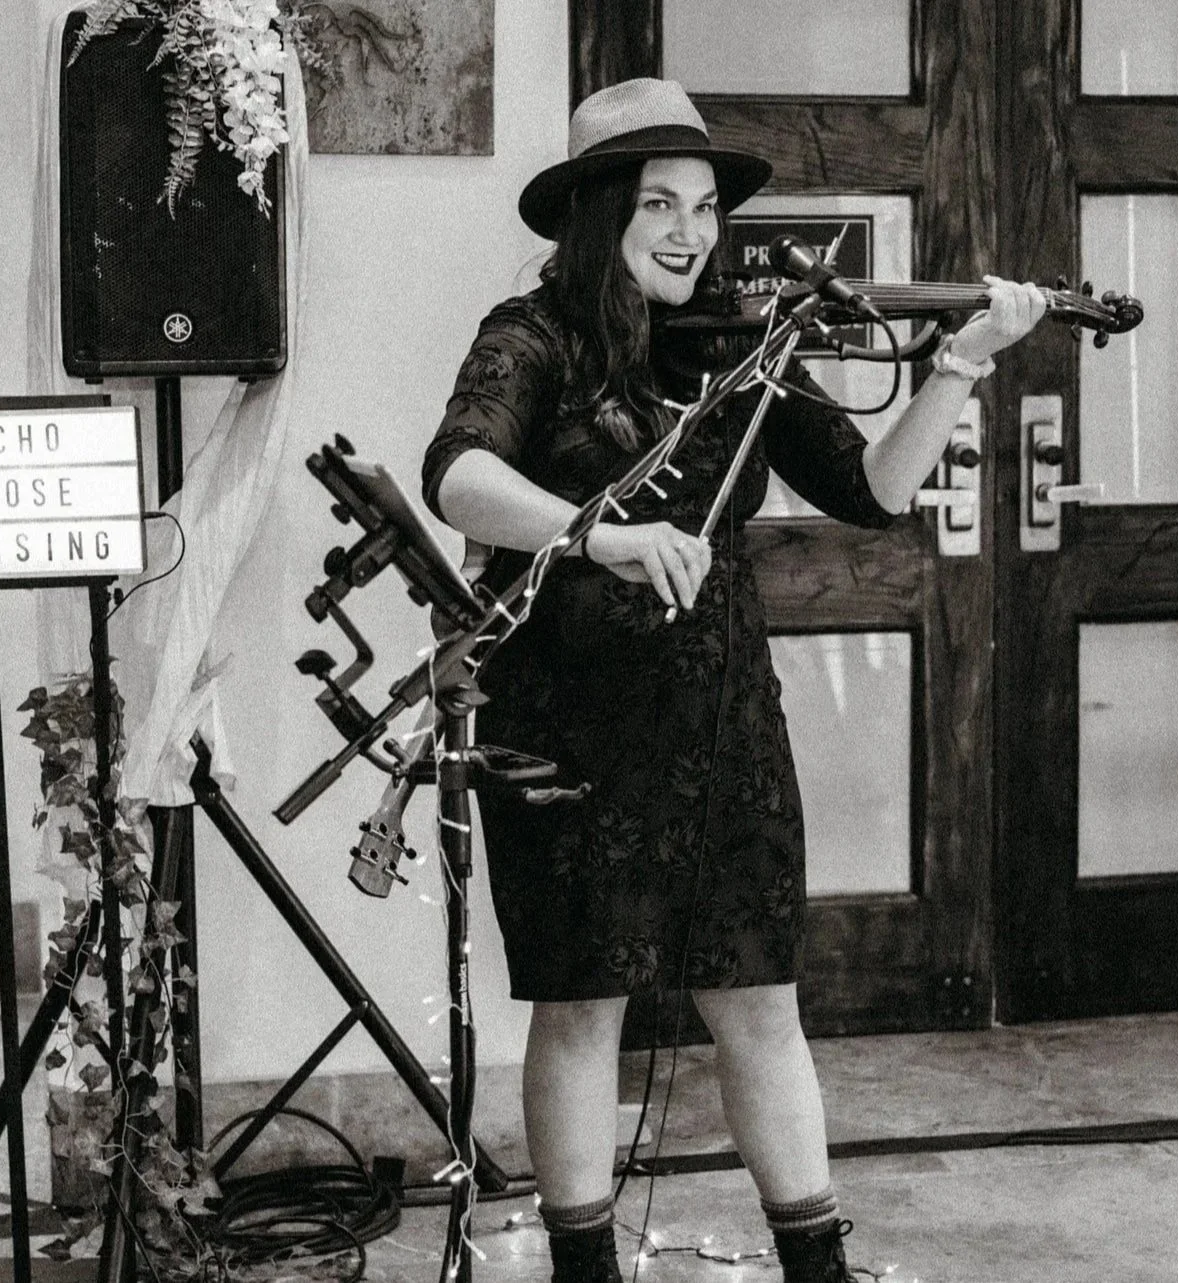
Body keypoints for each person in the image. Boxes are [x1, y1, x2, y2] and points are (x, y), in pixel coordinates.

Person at [421, 78, 1044, 1283]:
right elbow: (459, 474)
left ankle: (816, 1262)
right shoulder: (531, 336)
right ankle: (584, 1267)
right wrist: (597, 532)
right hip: (571, 726)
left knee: (758, 994)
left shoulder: (742, 347)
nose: (689, 233)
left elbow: (871, 487)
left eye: (704, 208)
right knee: (582, 1000)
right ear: (598, 216)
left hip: (721, 716)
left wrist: (961, 368)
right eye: (658, 203)